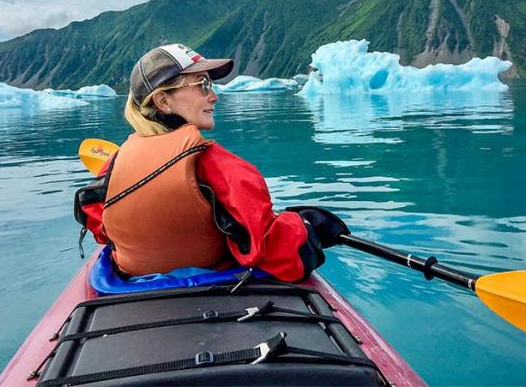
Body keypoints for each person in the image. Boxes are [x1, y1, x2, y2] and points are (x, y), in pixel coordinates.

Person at [101, 43, 349, 282]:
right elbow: (282, 256)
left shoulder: (113, 165)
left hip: (133, 288)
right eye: (203, 85)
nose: (214, 96)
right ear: (164, 101)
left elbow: (99, 225)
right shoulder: (218, 166)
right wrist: (307, 227)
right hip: (212, 289)